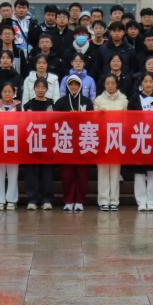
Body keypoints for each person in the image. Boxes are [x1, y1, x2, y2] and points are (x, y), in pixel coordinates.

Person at [54, 74, 93, 212]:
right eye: (71, 84)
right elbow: (54, 121)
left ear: (80, 86)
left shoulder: (87, 102)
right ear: (67, 86)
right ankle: (68, 200)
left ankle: (80, 200)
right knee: (67, 174)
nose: (74, 86)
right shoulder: (61, 102)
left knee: (82, 174)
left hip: (83, 142)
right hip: (66, 142)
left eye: (76, 84)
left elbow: (92, 121)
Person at [128, 73, 153, 212]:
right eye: (145, 81)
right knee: (139, 171)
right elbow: (129, 118)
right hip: (139, 137)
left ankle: (151, 201)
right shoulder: (134, 98)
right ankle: (141, 201)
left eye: (150, 81)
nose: (148, 84)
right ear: (141, 83)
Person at [93, 74, 129, 211]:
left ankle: (114, 200)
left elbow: (126, 120)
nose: (110, 85)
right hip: (102, 138)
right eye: (107, 83)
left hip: (117, 138)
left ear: (116, 84)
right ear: (104, 84)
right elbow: (94, 121)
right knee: (102, 170)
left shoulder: (123, 100)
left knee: (115, 171)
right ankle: (103, 200)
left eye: (112, 83)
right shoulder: (98, 100)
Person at [21, 78, 55, 211]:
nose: (40, 90)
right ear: (34, 88)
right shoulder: (28, 105)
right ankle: (32, 199)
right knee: (31, 172)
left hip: (47, 143)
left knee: (47, 172)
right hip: (32, 142)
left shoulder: (52, 104)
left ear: (47, 89)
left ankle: (47, 199)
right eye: (38, 87)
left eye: (43, 87)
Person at [0, 82, 22, 211]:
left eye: (10, 91)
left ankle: (11, 200)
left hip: (13, 143)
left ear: (14, 93)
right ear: (1, 93)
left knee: (13, 172)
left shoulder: (19, 106)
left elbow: (23, 123)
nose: (7, 94)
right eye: (5, 91)